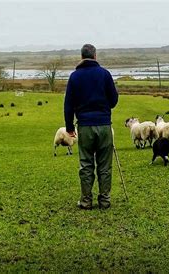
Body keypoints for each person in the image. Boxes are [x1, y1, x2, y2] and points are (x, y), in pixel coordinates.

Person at [64, 44, 119, 210]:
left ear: (81, 57)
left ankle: (86, 201)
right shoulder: (105, 74)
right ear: (95, 56)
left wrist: (69, 127)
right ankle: (104, 200)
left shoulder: (74, 77)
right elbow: (114, 100)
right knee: (104, 165)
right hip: (103, 125)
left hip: (85, 126)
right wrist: (103, 108)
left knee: (86, 164)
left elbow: (68, 105)